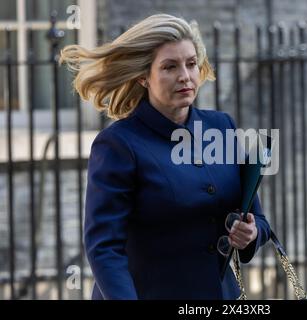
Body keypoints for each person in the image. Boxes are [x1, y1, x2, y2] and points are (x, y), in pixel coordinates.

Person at [59, 13, 270, 300]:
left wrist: (252, 234)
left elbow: (258, 219)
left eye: (191, 64)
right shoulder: (118, 144)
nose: (185, 75)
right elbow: (104, 249)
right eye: (170, 67)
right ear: (144, 77)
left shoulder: (222, 127)